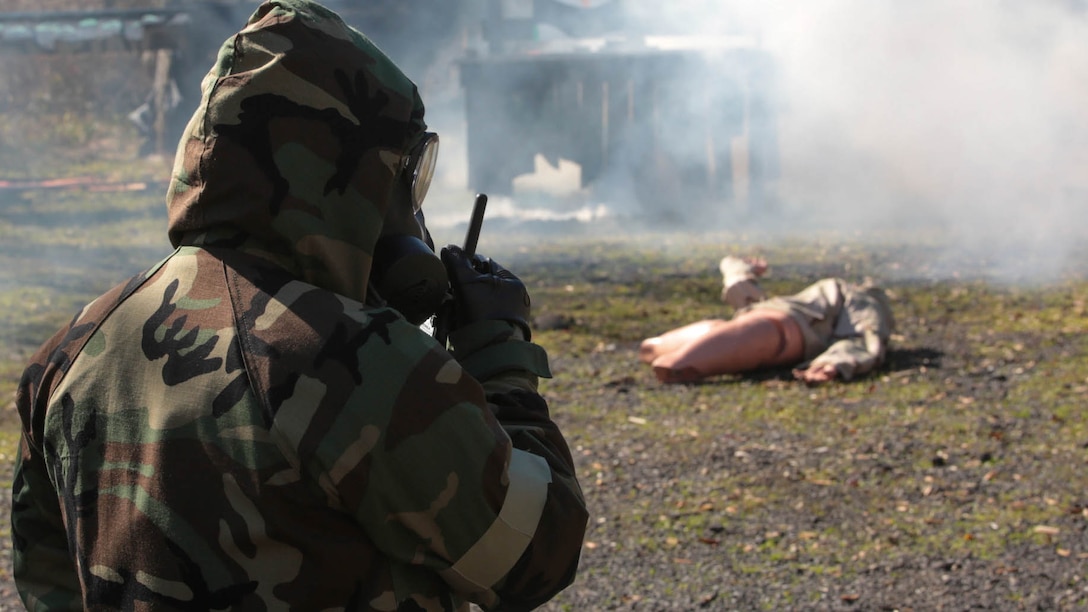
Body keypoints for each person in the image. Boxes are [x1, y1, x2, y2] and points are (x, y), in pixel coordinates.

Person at [10, 1, 588, 610]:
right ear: (352, 178)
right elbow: (533, 555)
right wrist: (501, 361)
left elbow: (47, 579)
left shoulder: (70, 351)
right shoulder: (355, 357)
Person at [640, 255, 895, 385]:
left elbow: (864, 336)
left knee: (654, 349)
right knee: (654, 351)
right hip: (774, 324)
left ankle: (676, 362)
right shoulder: (856, 297)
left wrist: (835, 363)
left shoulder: (858, 298)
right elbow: (865, 336)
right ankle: (676, 362)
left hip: (768, 323)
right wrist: (835, 363)